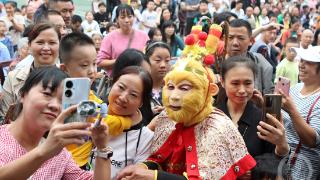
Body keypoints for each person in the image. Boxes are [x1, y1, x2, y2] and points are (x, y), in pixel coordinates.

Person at [117, 41, 256, 180]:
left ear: (209, 91)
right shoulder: (167, 117)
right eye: (170, 87)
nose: (174, 96)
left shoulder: (218, 126)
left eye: (184, 88)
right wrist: (144, 167)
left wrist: (154, 177)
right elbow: (159, 158)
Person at [0, 66, 110, 179]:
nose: (55, 106)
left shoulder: (59, 154)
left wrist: (102, 148)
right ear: (22, 95)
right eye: (47, 94)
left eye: (63, 101)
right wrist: (43, 152)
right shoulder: (3, 139)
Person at [216, 56, 289, 179]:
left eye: (248, 83)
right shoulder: (211, 116)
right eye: (235, 83)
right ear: (222, 82)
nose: (242, 90)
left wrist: (254, 169)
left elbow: (274, 158)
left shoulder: (264, 119)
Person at [94, 66, 154, 179]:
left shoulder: (144, 138)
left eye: (133, 95)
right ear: (112, 85)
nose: (123, 97)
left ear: (141, 102)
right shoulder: (90, 116)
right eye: (121, 87)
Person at [0, 23, 60, 117]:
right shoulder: (13, 77)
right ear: (29, 46)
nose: (46, 48)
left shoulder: (69, 78)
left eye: (52, 43)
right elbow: (5, 118)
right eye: (40, 42)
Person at [280, 46, 320, 179]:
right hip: (281, 166)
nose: (301, 65)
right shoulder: (294, 89)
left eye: (308, 62)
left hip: (305, 172)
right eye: (301, 60)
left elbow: (312, 140)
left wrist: (291, 110)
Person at [97, 4, 149, 74]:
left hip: (140, 79)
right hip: (117, 80)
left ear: (134, 17)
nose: (127, 20)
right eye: (122, 17)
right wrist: (121, 60)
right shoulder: (109, 37)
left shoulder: (144, 36)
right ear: (117, 19)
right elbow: (100, 62)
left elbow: (149, 58)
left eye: (130, 16)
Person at [226, 19, 273, 94]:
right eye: (230, 38)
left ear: (250, 41)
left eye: (240, 38)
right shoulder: (215, 63)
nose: (235, 43)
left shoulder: (260, 63)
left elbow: (268, 95)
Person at [145, 41, 171, 119]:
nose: (163, 65)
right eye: (157, 60)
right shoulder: (140, 88)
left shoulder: (173, 88)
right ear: (146, 61)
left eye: (167, 61)